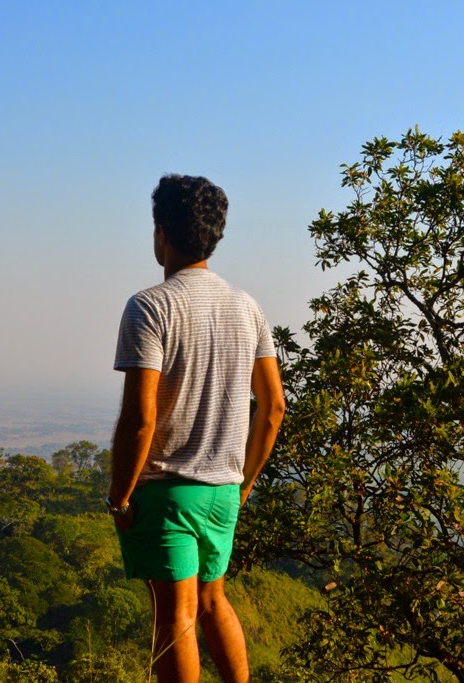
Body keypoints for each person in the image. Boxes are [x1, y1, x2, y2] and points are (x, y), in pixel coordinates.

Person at [108, 174, 286, 683]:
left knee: (175, 616)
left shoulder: (150, 306)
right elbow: (272, 408)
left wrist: (120, 497)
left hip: (167, 491)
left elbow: (141, 419)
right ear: (214, 235)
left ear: (161, 233)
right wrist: (244, 483)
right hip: (224, 491)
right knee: (213, 601)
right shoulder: (247, 307)